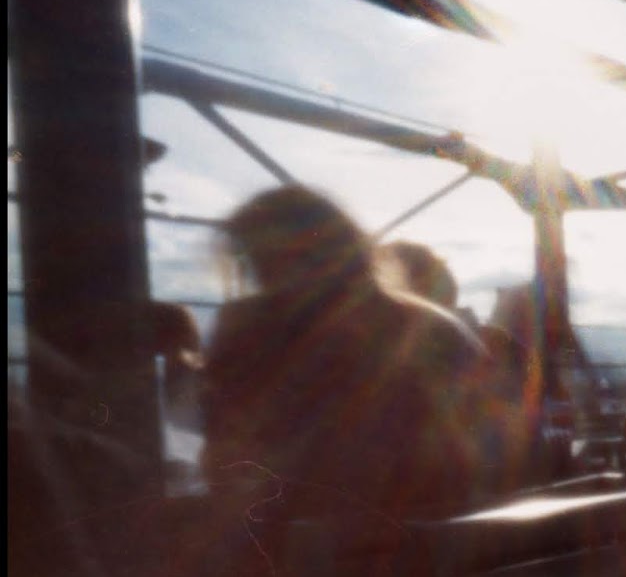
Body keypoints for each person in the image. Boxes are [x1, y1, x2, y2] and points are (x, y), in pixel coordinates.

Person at [202, 186, 492, 520]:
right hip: (428, 532)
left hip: (396, 533)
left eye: (294, 260)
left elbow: (228, 464)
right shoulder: (433, 329)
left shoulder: (427, 334)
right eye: (259, 265)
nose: (278, 280)